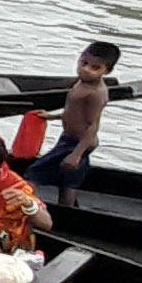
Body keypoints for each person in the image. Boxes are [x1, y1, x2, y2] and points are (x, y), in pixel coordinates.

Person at [25, 42, 119, 207]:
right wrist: (52, 117)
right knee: (68, 181)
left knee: (35, 173)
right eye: (83, 63)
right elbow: (75, 113)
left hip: (78, 143)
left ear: (107, 71)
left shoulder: (96, 93)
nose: (86, 69)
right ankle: (68, 210)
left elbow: (92, 125)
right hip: (70, 138)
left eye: (95, 67)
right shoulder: (82, 83)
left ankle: (24, 206)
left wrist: (76, 154)